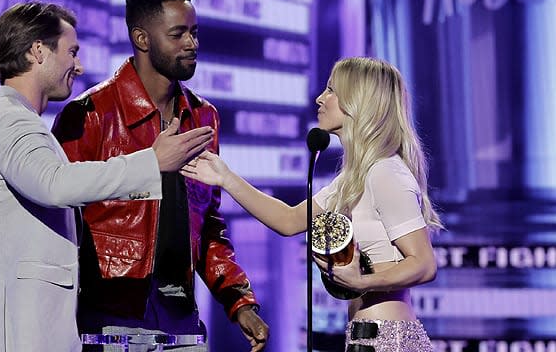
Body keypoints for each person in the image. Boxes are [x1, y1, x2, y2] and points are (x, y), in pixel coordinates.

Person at [0, 2, 214, 352]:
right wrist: (151, 162)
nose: (79, 65)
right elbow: (55, 183)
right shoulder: (11, 121)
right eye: (71, 52)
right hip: (8, 336)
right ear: (38, 51)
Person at [52, 0, 269, 352]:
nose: (192, 44)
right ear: (142, 38)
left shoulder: (203, 117)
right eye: (178, 34)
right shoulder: (89, 115)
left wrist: (239, 302)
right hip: (109, 327)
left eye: (195, 33)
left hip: (183, 327)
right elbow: (58, 220)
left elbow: (208, 225)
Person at [181, 57, 442, 351]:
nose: (320, 98)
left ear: (358, 101)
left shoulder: (385, 173)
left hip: (388, 340)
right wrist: (226, 178)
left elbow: (424, 263)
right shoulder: (355, 178)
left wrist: (362, 282)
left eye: (331, 90)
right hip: (366, 337)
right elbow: (289, 220)